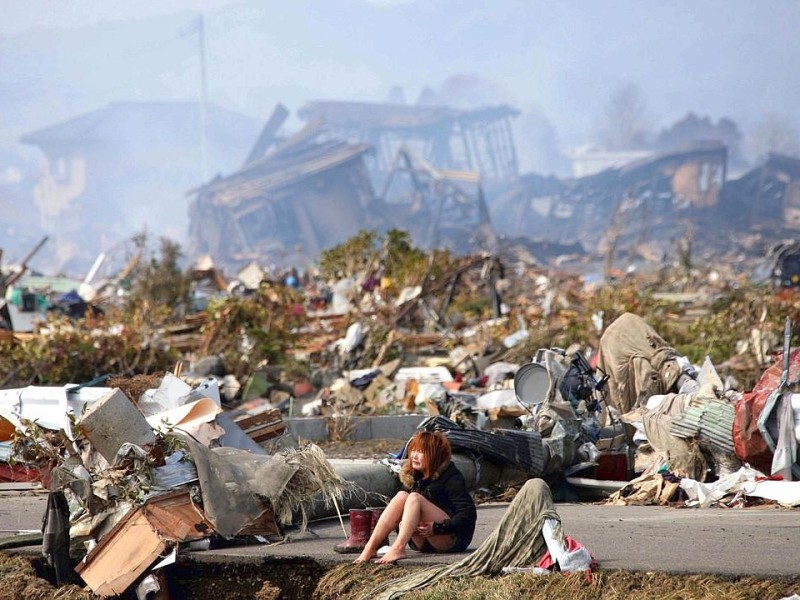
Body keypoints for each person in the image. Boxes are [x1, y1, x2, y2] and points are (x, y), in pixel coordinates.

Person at [355, 431, 477, 564]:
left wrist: (437, 527)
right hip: (422, 543)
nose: (414, 456)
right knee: (402, 496)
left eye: (421, 452)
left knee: (414, 498)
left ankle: (398, 548)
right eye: (413, 450)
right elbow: (398, 514)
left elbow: (468, 514)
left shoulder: (451, 477)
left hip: (450, 539)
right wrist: (401, 525)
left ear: (435, 455)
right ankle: (370, 547)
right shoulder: (414, 475)